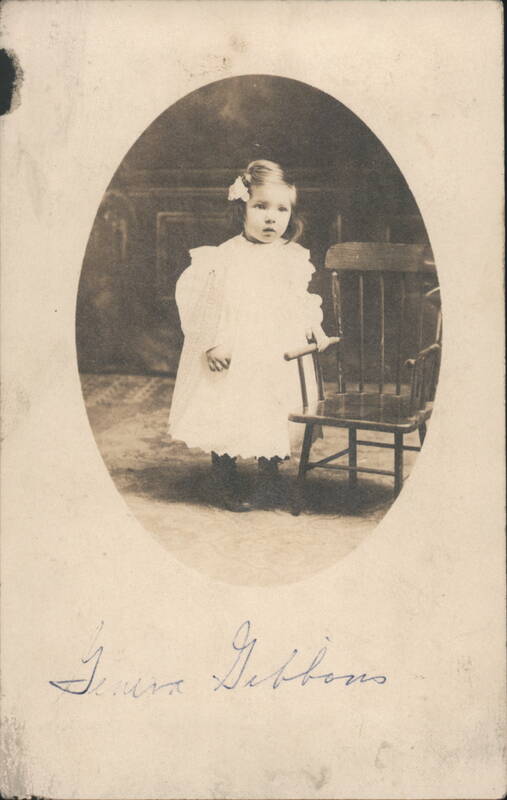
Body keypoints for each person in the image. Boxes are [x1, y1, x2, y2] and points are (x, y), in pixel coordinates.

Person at [168, 160, 331, 511]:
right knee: (227, 407)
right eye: (260, 207)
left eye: (281, 209)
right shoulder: (223, 257)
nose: (271, 218)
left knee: (270, 409)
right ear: (241, 209)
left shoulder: (291, 257)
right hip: (235, 346)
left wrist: (313, 326)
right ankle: (223, 475)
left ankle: (269, 475)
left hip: (274, 351)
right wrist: (212, 342)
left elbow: (300, 300)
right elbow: (206, 303)